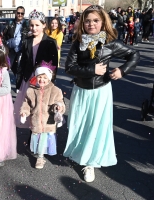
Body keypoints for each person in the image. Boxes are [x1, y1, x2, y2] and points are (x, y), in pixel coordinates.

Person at [63, 5, 140, 183]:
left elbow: (134, 55)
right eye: (88, 20)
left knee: (96, 126)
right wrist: (92, 69)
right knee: (79, 125)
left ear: (102, 22)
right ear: (83, 23)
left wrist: (122, 70)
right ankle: (79, 152)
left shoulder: (110, 43)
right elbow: (69, 68)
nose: (91, 24)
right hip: (81, 91)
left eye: (95, 20)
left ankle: (90, 163)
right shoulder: (78, 42)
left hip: (100, 91)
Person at [14, 9, 58, 129]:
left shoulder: (50, 42)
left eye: (37, 25)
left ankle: (39, 133)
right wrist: (18, 82)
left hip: (43, 80)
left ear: (44, 25)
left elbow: (54, 65)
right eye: (31, 25)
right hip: (28, 79)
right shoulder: (27, 41)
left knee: (40, 107)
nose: (34, 28)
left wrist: (51, 82)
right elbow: (23, 63)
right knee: (29, 105)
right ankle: (31, 132)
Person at [19, 62, 65, 169]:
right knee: (39, 139)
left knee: (44, 139)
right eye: (39, 77)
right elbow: (26, 103)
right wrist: (24, 112)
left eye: (45, 78)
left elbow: (60, 102)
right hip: (36, 121)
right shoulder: (31, 91)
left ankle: (40, 157)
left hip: (48, 121)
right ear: (36, 77)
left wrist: (58, 106)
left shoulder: (55, 90)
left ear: (49, 78)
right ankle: (40, 155)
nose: (42, 80)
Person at [3, 6, 29, 75]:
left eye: (22, 13)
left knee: (20, 70)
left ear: (24, 14)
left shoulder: (27, 24)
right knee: (7, 68)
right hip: (11, 49)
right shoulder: (10, 23)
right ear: (15, 13)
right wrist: (5, 46)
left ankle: (18, 84)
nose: (20, 15)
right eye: (18, 13)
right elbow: (4, 35)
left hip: (22, 50)